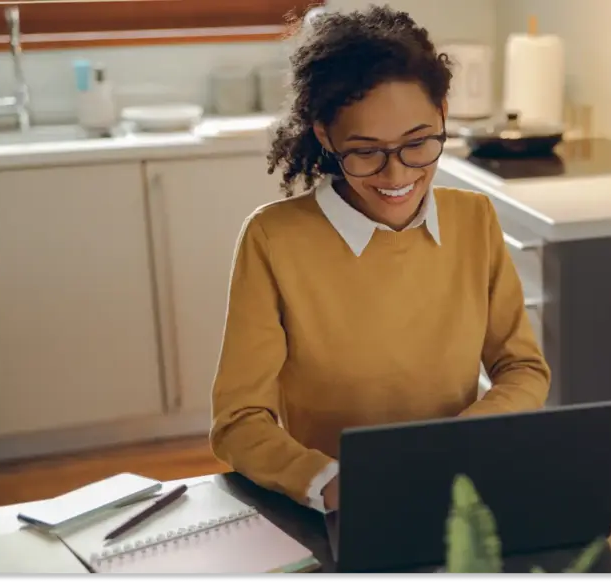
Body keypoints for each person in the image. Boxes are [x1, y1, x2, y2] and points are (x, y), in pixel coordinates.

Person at [209, 5, 550, 514]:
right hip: (340, 507)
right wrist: (327, 483)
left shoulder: (473, 218)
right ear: (325, 134)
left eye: (418, 144)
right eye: (366, 151)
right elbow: (238, 421)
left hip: (458, 493)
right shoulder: (273, 240)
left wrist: (464, 440)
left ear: (443, 115)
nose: (396, 177)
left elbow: (521, 367)